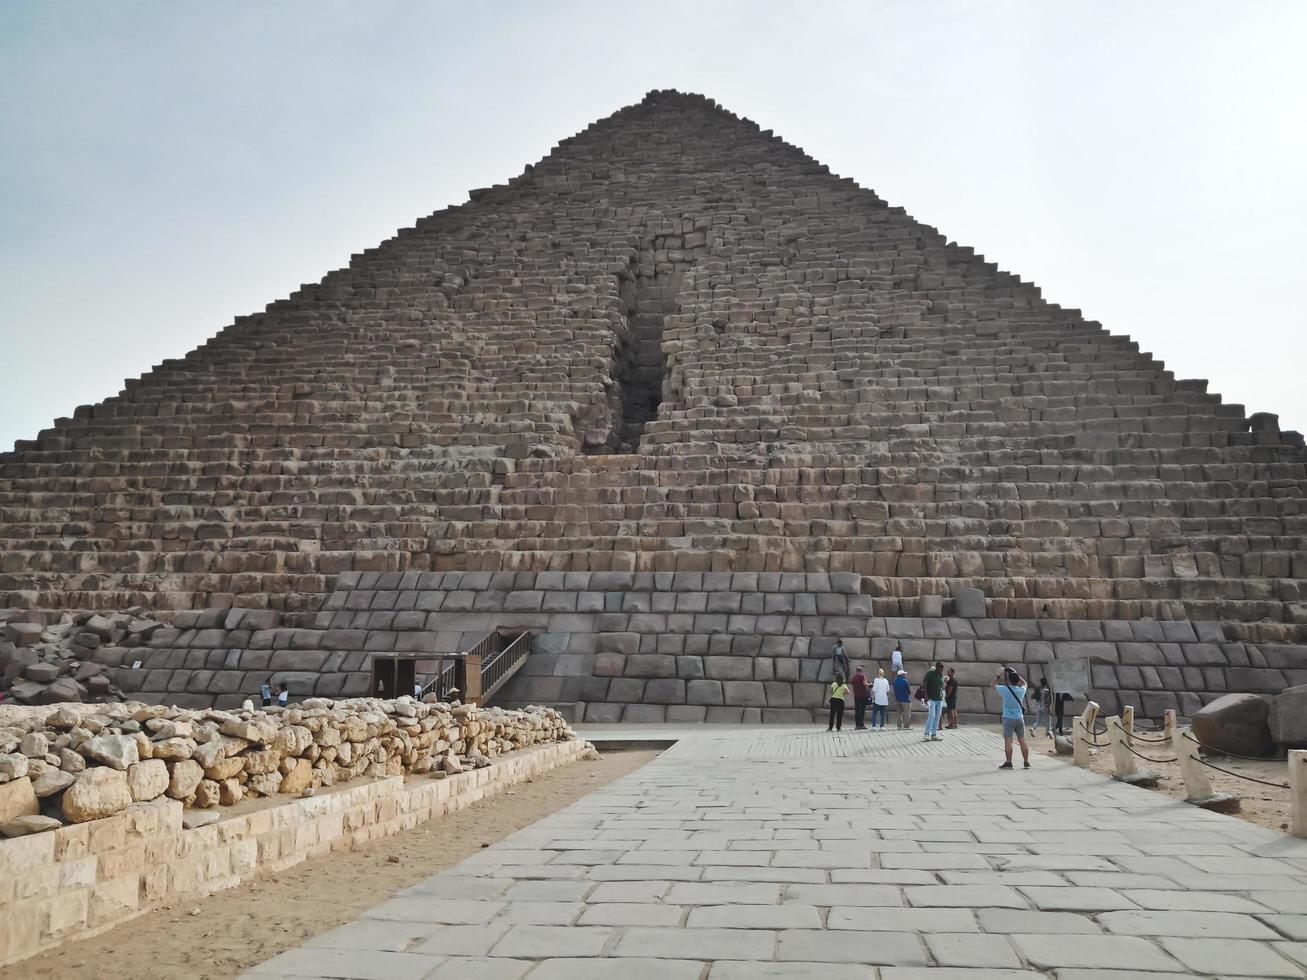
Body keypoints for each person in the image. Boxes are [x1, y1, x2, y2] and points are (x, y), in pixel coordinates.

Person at [994, 667, 1031, 769]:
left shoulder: (1004, 689)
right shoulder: (1021, 690)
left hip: (1008, 718)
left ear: (1009, 680)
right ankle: (1026, 762)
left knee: (1008, 740)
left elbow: (992, 684)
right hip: (1019, 718)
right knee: (1022, 740)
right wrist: (1015, 672)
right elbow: (1025, 683)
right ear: (1017, 679)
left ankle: (1009, 762)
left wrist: (998, 675)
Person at [923, 661, 945, 742]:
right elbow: (924, 683)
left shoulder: (941, 675)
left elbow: (941, 685)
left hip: (939, 699)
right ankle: (926, 734)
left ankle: (934, 734)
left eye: (943, 667)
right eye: (940, 667)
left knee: (937, 717)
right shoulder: (930, 673)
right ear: (937, 667)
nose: (942, 668)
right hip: (931, 699)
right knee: (931, 716)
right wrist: (926, 695)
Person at [850, 665, 870, 730]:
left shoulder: (853, 677)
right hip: (862, 695)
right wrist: (870, 684)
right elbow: (865, 684)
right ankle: (861, 724)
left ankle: (857, 725)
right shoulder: (862, 676)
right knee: (862, 710)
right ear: (861, 671)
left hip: (856, 696)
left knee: (857, 710)